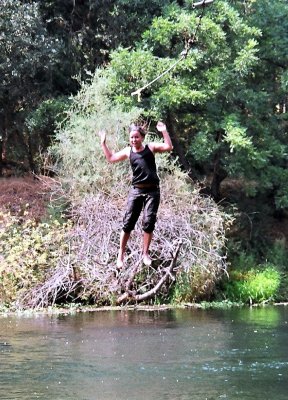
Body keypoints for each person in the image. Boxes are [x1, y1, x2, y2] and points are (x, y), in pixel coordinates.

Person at [98, 121, 173, 268]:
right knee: (128, 223)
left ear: (142, 137)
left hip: (152, 191)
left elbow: (169, 146)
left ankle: (145, 253)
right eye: (132, 137)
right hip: (137, 190)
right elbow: (111, 158)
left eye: (136, 137)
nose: (134, 140)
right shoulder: (128, 151)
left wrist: (164, 131)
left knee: (148, 222)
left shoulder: (150, 148)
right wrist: (103, 143)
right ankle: (121, 253)